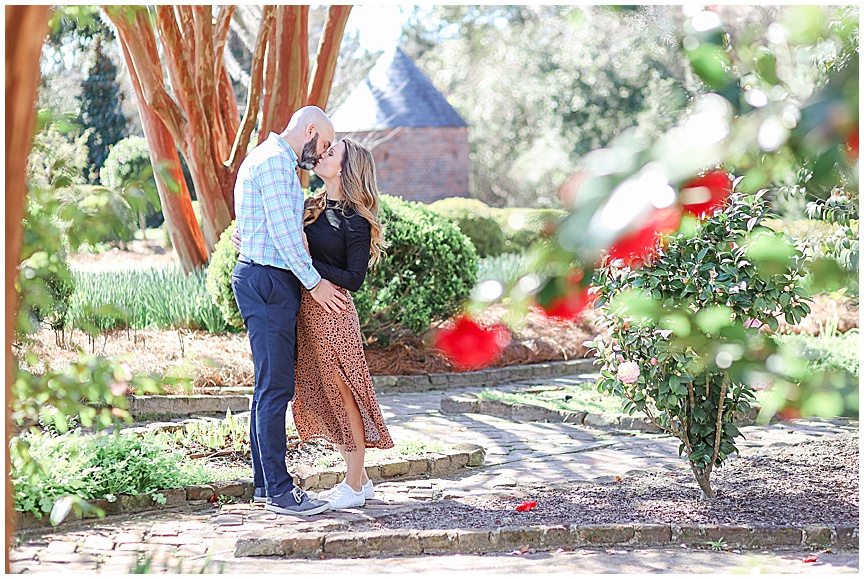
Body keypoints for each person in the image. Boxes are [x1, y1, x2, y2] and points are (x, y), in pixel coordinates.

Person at [233, 138, 394, 510]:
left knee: (343, 392)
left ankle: (353, 483)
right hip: (305, 310)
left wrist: (310, 262)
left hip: (332, 313)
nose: (321, 154)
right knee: (324, 394)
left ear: (345, 167)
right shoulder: (312, 205)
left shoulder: (355, 219)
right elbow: (278, 235)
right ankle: (363, 480)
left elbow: (353, 278)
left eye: (331, 152)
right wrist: (247, 237)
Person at [231, 106, 348, 517]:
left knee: (268, 386)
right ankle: (281, 491)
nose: (323, 154)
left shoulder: (261, 157)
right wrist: (316, 284)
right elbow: (283, 236)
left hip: (260, 277)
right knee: (276, 387)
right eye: (326, 144)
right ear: (310, 130)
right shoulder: (277, 164)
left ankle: (265, 487)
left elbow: (254, 225)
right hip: (267, 281)